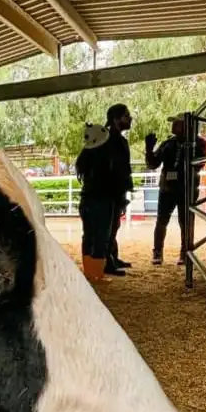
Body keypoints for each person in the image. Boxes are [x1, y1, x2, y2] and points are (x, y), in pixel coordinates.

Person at [145, 116, 206, 265]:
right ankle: (157, 252)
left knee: (186, 222)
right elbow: (153, 164)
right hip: (167, 188)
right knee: (161, 220)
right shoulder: (168, 143)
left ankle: (185, 253)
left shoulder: (198, 143)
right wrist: (148, 150)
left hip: (187, 188)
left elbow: (199, 164)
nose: (173, 126)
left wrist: (188, 149)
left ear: (186, 125)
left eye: (177, 123)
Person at [75, 123, 115, 282]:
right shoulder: (104, 160)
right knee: (101, 237)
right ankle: (98, 273)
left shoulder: (85, 158)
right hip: (102, 202)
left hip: (87, 201)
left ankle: (89, 272)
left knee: (88, 235)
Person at [104, 103, 134, 276]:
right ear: (116, 119)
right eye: (126, 115)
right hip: (109, 190)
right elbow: (113, 168)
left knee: (114, 224)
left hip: (117, 189)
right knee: (109, 226)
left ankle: (113, 256)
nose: (130, 118)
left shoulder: (120, 140)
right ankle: (107, 260)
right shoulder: (108, 140)